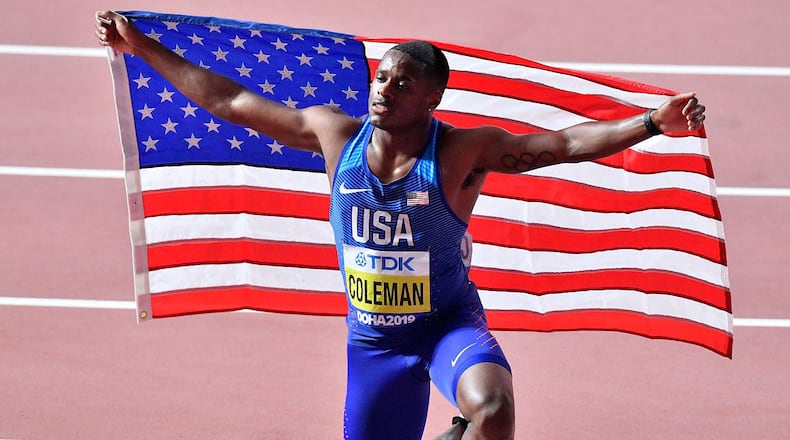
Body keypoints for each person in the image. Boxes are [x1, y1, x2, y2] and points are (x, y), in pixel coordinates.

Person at [95, 11, 706, 440]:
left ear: (432, 100)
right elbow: (229, 101)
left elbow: (564, 144)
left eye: (403, 84)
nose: (384, 90)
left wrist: (652, 123)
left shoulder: (461, 152)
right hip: (374, 344)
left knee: (493, 412)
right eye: (382, 78)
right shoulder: (335, 135)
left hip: (446, 326)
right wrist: (143, 47)